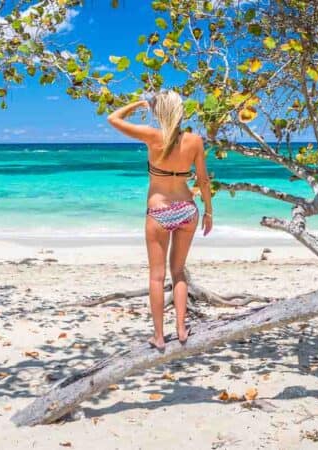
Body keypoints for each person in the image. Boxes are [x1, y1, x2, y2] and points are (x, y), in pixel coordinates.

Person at [107, 90, 214, 351]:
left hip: (159, 212)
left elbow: (113, 118)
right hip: (188, 210)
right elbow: (203, 180)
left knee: (157, 277)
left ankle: (158, 336)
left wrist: (139, 104)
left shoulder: (152, 136)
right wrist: (209, 211)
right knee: (178, 272)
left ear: (159, 112)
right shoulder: (195, 140)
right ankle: (180, 328)